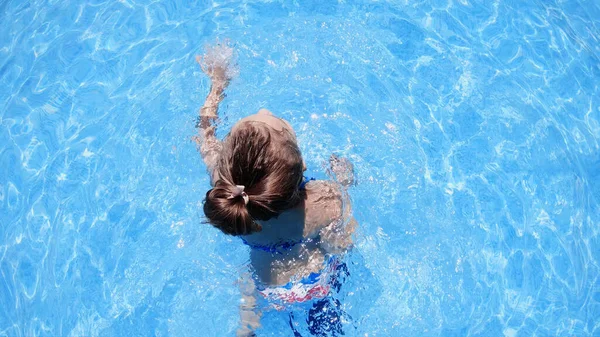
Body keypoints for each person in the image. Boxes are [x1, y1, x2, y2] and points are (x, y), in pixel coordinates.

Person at [194, 42, 357, 337]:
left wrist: (216, 85)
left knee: (248, 317)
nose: (264, 108)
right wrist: (344, 180)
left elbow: (204, 130)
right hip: (318, 278)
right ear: (303, 166)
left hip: (267, 286)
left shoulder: (225, 188)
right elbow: (346, 238)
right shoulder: (324, 199)